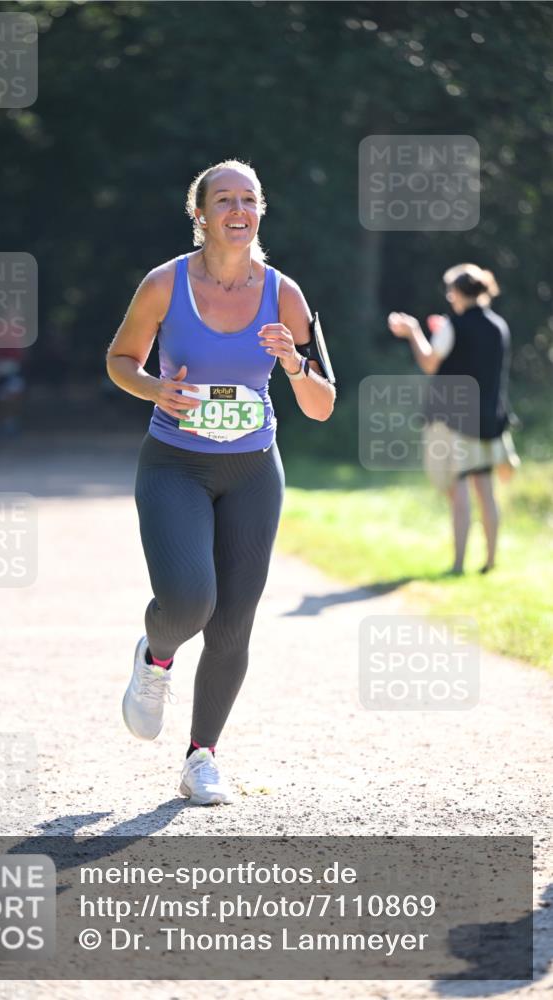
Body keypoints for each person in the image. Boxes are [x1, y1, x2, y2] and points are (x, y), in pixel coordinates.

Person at [106, 159, 336, 805]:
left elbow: (321, 404)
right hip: (174, 463)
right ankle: (155, 657)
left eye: (249, 199)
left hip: (253, 469)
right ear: (199, 214)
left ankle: (200, 757)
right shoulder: (163, 284)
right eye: (224, 199)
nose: (238, 210)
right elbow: (120, 359)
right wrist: (155, 388)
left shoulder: (284, 293)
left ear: (260, 211)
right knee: (187, 602)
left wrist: (293, 363)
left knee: (233, 621)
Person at [388, 263, 519, 575]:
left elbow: (431, 363)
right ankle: (489, 561)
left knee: (457, 488)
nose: (449, 296)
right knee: (485, 491)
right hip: (489, 418)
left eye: (451, 291)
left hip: (454, 421)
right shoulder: (498, 325)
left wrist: (414, 332)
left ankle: (458, 564)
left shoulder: (454, 325)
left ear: (459, 293)